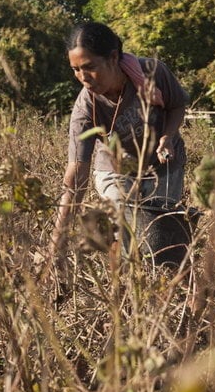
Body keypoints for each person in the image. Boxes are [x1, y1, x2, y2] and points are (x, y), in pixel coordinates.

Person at [51, 21, 190, 267]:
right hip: (116, 172)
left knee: (163, 241)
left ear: (113, 57)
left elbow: (177, 105)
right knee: (125, 235)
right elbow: (77, 171)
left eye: (89, 67)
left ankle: (172, 293)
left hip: (164, 166)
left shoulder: (152, 72)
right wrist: (57, 239)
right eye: (75, 70)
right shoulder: (86, 110)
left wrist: (167, 136)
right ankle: (126, 290)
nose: (83, 78)